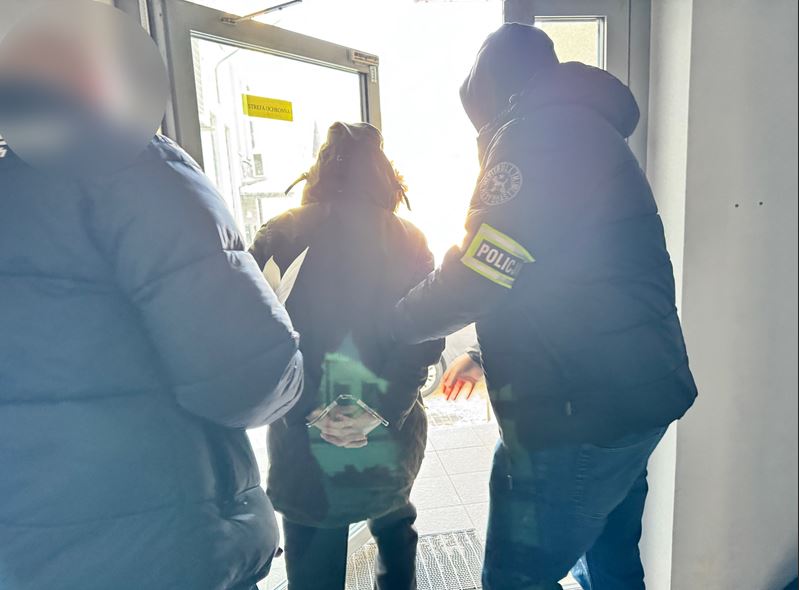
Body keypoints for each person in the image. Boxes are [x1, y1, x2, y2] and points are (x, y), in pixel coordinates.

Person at [385, 23, 698, 590]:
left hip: (577, 411)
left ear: (493, 95)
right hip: (632, 396)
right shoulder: (584, 131)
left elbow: (479, 272)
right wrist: (485, 354)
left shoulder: (537, 136)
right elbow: (563, 274)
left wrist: (393, 324)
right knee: (610, 564)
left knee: (515, 578)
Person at [0, 11, 303, 588]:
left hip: (26, 556)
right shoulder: (136, 168)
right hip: (166, 547)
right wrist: (289, 365)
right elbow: (248, 379)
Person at [249, 122, 444, 590]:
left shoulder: (281, 233)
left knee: (313, 557)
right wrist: (377, 410)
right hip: (388, 430)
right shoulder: (409, 239)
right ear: (383, 175)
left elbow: (257, 336)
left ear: (320, 171)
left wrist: (309, 410)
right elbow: (423, 339)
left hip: (305, 437)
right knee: (394, 531)